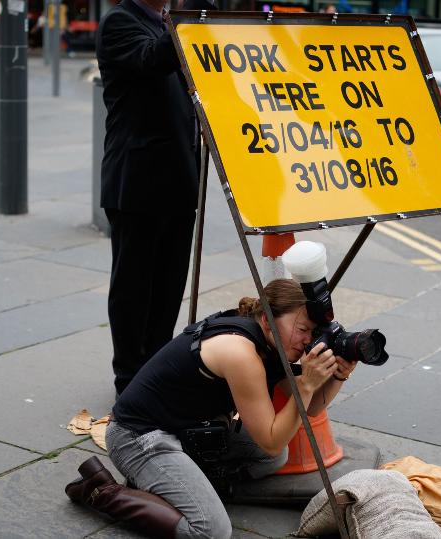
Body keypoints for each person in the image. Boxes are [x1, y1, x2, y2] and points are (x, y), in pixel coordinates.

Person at [66, 279, 357, 538]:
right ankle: (100, 491)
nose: (308, 339)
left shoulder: (271, 343)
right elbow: (271, 438)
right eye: (302, 329)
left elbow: (312, 410)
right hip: (137, 437)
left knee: (276, 458)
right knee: (211, 530)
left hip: (184, 432)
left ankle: (177, 485)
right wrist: (306, 384)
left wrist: (338, 375)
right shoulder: (239, 352)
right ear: (268, 320)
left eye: (312, 331)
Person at [95, 0, 202, 396]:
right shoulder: (121, 22)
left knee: (169, 285)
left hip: (179, 181)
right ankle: (129, 380)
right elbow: (152, 59)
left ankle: (155, 372)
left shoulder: (168, 22)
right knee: (134, 289)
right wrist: (193, 15)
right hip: (137, 183)